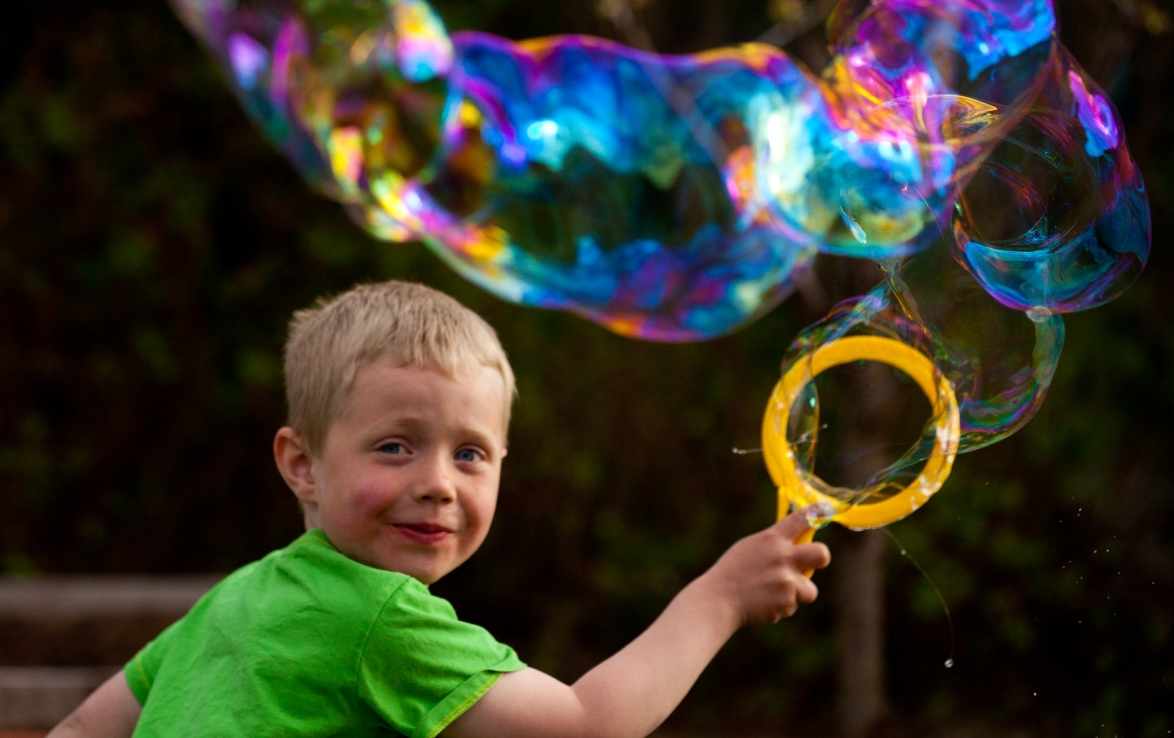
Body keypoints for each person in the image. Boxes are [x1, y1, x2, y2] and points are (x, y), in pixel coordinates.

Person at [48, 280, 830, 738]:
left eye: (470, 454)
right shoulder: (376, 619)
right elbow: (583, 724)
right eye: (395, 447)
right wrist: (719, 598)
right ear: (301, 465)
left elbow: (82, 730)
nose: (438, 483)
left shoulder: (241, 597)